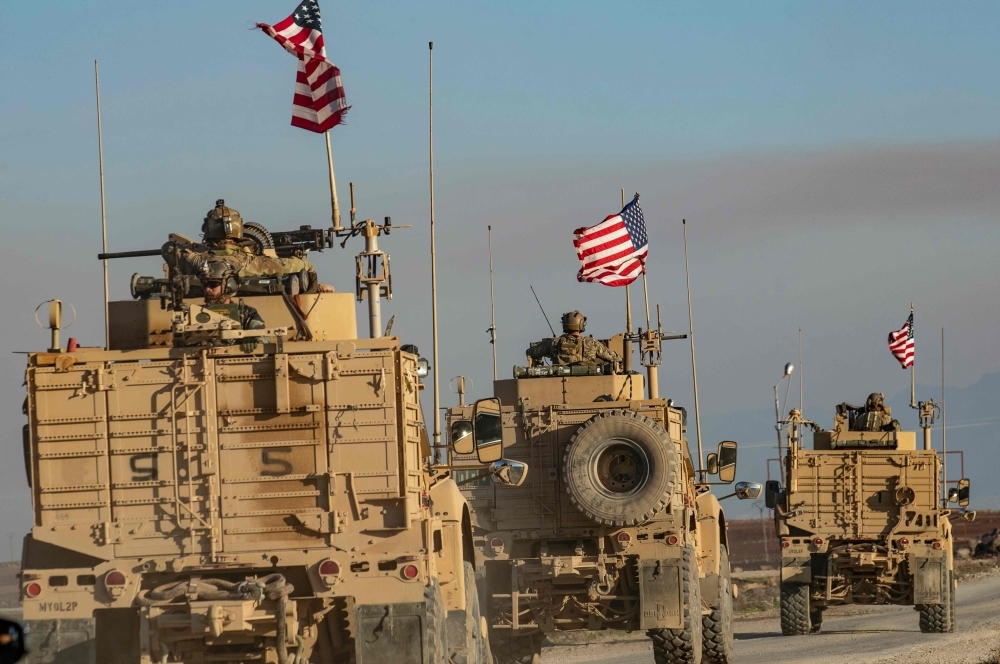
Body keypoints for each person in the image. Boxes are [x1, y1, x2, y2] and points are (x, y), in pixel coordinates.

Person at [163, 199, 334, 292]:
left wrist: (193, 256)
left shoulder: (192, 260)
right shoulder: (255, 263)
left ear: (207, 230)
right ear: (239, 231)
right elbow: (305, 266)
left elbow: (168, 248)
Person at [199, 259, 269, 353]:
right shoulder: (196, 314)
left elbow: (264, 338)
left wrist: (254, 339)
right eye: (205, 284)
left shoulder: (246, 314)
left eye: (213, 284)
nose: (207, 289)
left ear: (229, 285)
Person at [525, 311, 622, 367]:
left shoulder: (553, 343)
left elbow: (531, 352)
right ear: (581, 324)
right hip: (588, 381)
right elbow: (614, 358)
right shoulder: (592, 343)